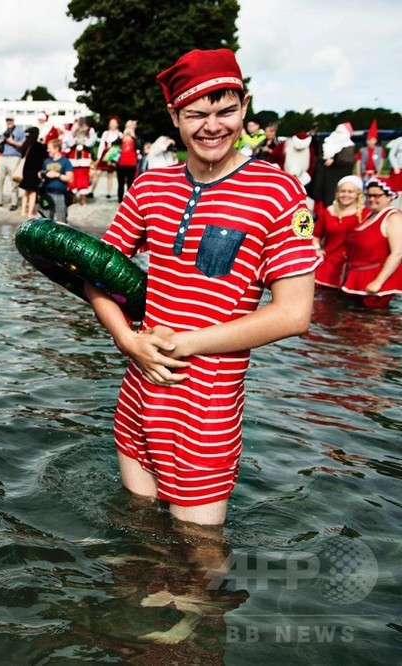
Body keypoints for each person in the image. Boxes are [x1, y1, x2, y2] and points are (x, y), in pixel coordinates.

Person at [84, 49, 318, 529]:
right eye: (196, 114)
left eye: (225, 110)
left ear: (245, 106)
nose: (212, 126)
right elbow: (95, 272)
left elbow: (294, 313)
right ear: (174, 116)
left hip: (206, 407)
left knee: (200, 558)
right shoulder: (150, 186)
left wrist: (184, 343)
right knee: (140, 535)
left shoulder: (278, 192)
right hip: (138, 391)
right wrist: (126, 339)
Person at [341, 178, 402, 308]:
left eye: (377, 196)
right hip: (357, 277)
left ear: (389, 197)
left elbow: (397, 253)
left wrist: (378, 282)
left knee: (373, 322)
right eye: (369, 195)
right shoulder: (370, 215)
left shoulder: (393, 218)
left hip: (374, 282)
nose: (372, 199)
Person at [313, 175, 363, 289]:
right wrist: (317, 249)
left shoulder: (364, 214)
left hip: (350, 266)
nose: (346, 195)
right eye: (343, 191)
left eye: (350, 192)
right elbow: (315, 235)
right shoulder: (328, 212)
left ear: (358, 194)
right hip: (327, 264)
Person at [311, 122, 356, 214]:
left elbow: (347, 162)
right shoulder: (328, 142)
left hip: (337, 176)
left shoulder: (348, 146)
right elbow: (319, 153)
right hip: (324, 176)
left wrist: (334, 161)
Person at [0, 116, 26, 209]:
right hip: (3, 156)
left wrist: (12, 141)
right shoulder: (5, 132)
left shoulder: (19, 130)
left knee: (14, 181)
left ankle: (14, 203)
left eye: (10, 120)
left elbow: (23, 144)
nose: (8, 122)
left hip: (14, 156)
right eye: (7, 120)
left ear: (13, 121)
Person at [40, 138, 73, 223]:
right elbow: (41, 173)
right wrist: (41, 175)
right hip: (47, 194)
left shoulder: (65, 162)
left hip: (60, 194)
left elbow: (70, 179)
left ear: (57, 148)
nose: (48, 150)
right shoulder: (46, 161)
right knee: (45, 220)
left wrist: (57, 175)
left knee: (61, 221)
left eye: (49, 148)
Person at [17, 126, 45, 217]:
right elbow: (42, 158)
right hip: (34, 171)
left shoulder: (25, 145)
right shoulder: (38, 146)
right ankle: (30, 212)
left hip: (26, 170)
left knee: (26, 192)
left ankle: (22, 211)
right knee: (33, 192)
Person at [91, 116, 121, 199]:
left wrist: (115, 159)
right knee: (98, 173)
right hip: (104, 154)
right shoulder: (106, 133)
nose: (112, 125)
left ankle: (109, 192)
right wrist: (99, 157)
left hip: (112, 155)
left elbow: (119, 148)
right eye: (111, 123)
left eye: (114, 123)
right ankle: (92, 191)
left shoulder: (119, 134)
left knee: (110, 174)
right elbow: (101, 145)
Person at [116, 120, 140, 202]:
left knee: (130, 182)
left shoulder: (136, 138)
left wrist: (133, 137)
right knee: (120, 182)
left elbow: (139, 147)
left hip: (131, 163)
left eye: (131, 127)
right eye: (128, 126)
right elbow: (114, 145)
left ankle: (129, 199)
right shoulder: (121, 137)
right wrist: (122, 136)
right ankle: (120, 199)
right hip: (121, 162)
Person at [355, 120, 385, 185]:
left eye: (372, 140)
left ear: (375, 140)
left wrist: (379, 172)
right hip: (364, 173)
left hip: (375, 173)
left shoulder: (379, 150)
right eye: (368, 140)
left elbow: (381, 161)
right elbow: (358, 161)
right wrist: (358, 173)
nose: (370, 142)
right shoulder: (362, 150)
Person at [67, 141, 93, 205]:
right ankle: (73, 196)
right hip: (73, 155)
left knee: (83, 180)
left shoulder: (89, 132)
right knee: (73, 179)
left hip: (85, 156)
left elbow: (90, 142)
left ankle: (83, 197)